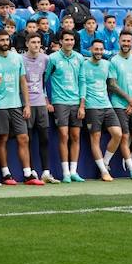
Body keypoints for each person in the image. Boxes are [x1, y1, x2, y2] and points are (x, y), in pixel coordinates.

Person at [0, 31, 39, 185]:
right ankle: (5, 174)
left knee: (24, 138)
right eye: (1, 40)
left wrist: (27, 104)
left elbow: (23, 82)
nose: (5, 42)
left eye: (7, 39)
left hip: (16, 105)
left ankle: (28, 174)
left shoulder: (17, 58)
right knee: (2, 139)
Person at [44, 31, 84, 182]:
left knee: (75, 136)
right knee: (64, 136)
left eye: (72, 39)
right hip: (60, 102)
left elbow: (82, 81)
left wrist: (82, 105)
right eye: (66, 39)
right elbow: (43, 80)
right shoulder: (52, 59)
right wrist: (47, 101)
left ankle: (74, 171)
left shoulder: (79, 58)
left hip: (75, 102)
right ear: (61, 41)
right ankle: (65, 172)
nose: (69, 42)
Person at [107, 31, 132, 179]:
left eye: (129, 41)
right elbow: (112, 85)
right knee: (125, 136)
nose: (126, 44)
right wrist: (130, 100)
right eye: (123, 41)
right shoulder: (113, 61)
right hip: (119, 104)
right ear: (119, 41)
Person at [80, 39, 121, 181]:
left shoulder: (107, 64)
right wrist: (82, 105)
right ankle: (104, 172)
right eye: (96, 49)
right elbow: (82, 85)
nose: (98, 52)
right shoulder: (84, 65)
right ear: (91, 50)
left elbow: (111, 84)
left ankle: (105, 163)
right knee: (95, 139)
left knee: (118, 134)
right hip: (91, 106)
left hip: (107, 105)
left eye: (100, 49)